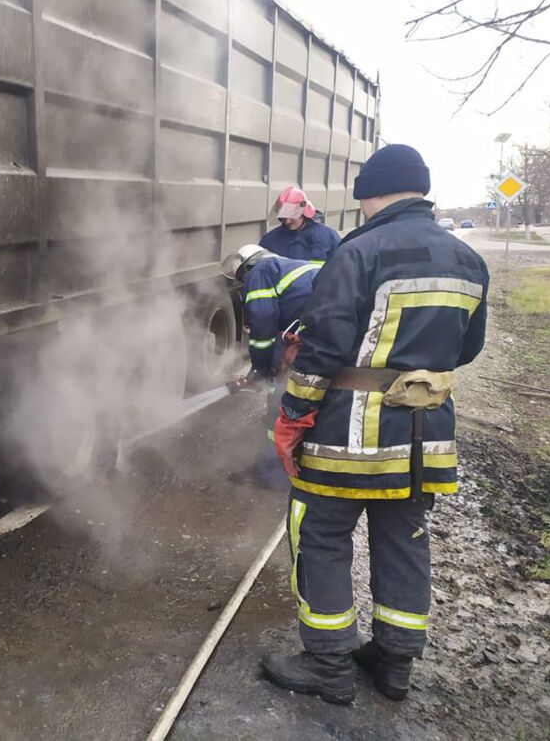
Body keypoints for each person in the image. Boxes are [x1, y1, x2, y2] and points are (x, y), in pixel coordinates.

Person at [261, 144, 489, 705]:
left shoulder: (357, 252)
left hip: (347, 440)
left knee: (319, 537)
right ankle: (393, 665)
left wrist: (292, 416)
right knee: (403, 541)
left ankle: (329, 666)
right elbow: (467, 349)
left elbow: (323, 350)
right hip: (423, 441)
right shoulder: (468, 261)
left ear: (372, 193)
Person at [221, 245, 322, 486]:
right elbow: (284, 328)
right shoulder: (289, 267)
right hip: (326, 343)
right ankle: (304, 462)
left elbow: (263, 329)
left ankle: (270, 475)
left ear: (247, 267)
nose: (243, 282)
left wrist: (262, 368)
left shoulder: (261, 273)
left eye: (241, 277)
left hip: (312, 345)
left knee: (280, 406)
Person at [261, 186, 341, 262]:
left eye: (292, 215)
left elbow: (339, 269)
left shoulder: (328, 238)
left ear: (304, 211)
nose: (287, 221)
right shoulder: (269, 240)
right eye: (283, 216)